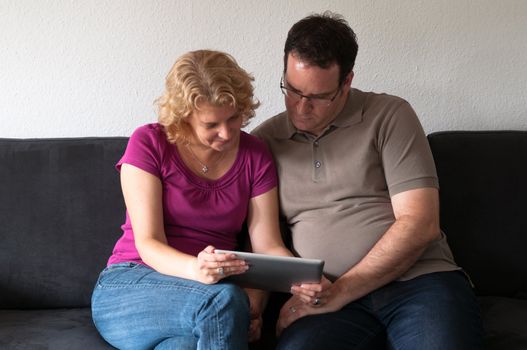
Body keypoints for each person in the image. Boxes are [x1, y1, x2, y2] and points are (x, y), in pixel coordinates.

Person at [252, 12, 483, 350]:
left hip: (418, 283)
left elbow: (420, 223)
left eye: (317, 97)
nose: (301, 108)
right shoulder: (265, 142)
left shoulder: (389, 115)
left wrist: (341, 291)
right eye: (292, 89)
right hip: (325, 299)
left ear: (346, 82)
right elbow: (252, 235)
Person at [91, 50, 293, 350]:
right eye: (211, 125)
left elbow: (267, 246)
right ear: (184, 117)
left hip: (207, 298)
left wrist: (297, 282)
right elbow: (148, 243)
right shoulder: (149, 143)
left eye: (234, 118)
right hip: (131, 284)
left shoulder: (254, 155)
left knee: (189, 342)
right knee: (223, 300)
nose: (226, 133)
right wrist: (196, 271)